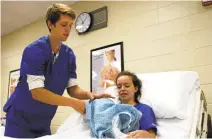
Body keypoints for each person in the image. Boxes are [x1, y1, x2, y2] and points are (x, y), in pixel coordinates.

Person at [3, 3, 113, 138]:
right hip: (20, 119)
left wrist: (90, 94)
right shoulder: (34, 50)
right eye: (63, 24)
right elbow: (37, 93)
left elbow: (72, 89)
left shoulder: (69, 55)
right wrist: (74, 103)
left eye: (70, 25)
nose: (68, 29)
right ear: (50, 24)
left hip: (43, 120)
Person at [115, 71, 157, 138]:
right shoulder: (112, 109)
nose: (122, 89)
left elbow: (151, 135)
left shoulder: (144, 109)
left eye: (127, 86)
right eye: (119, 87)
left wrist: (145, 134)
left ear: (135, 88)